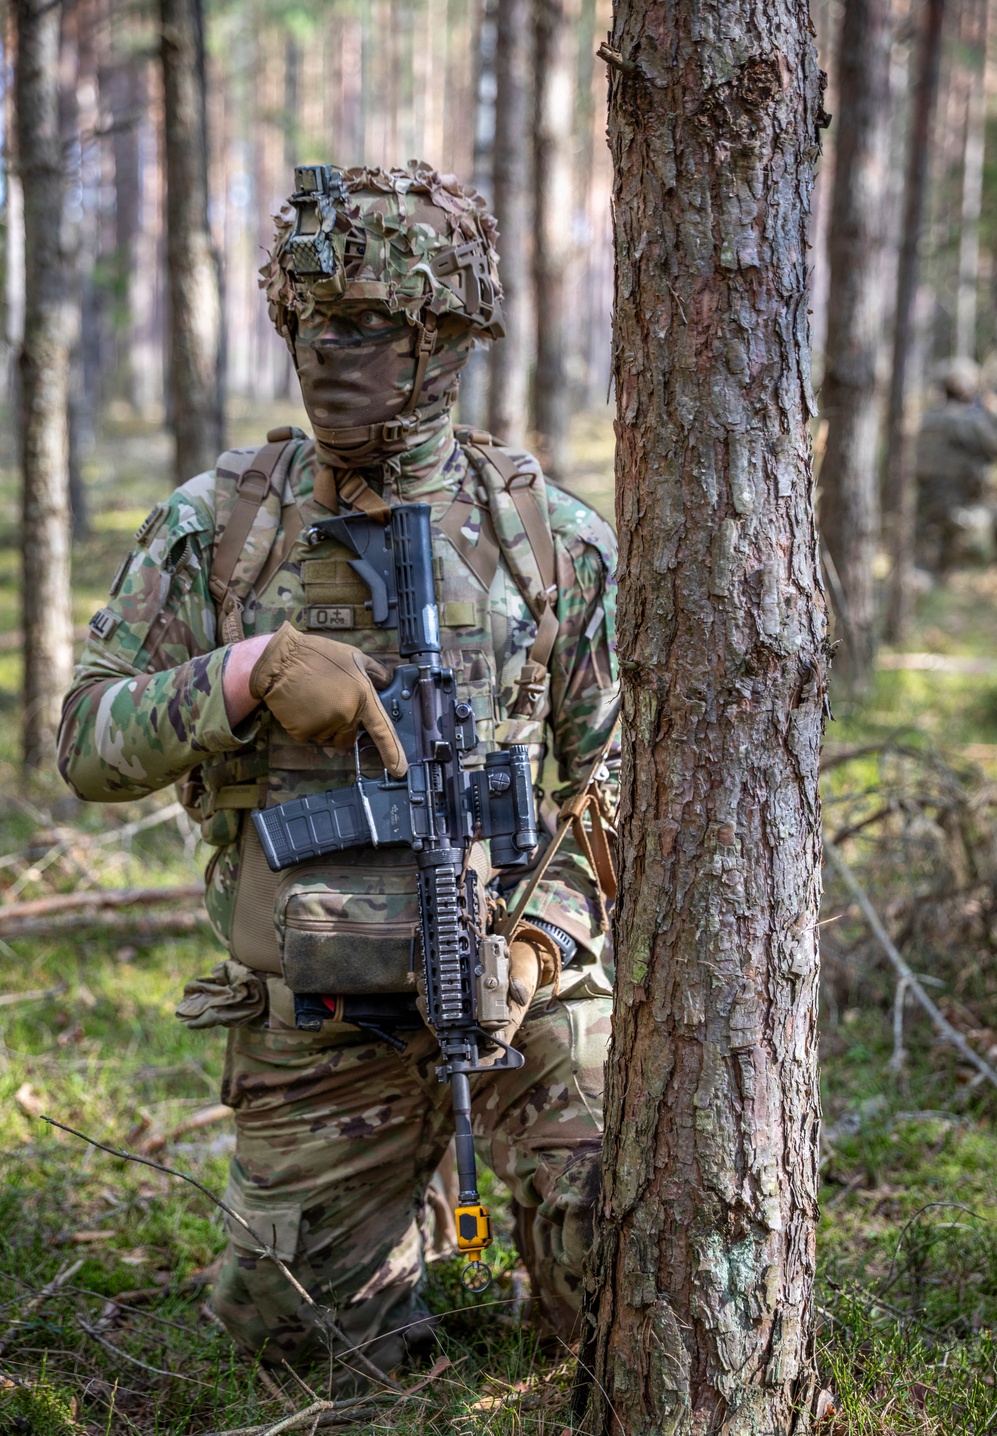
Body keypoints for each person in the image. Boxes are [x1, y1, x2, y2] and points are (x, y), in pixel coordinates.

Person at [57, 163, 619, 1371]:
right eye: (307, 323)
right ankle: (380, 1217)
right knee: (300, 1351)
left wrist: (541, 945)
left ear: (447, 334)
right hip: (315, 1014)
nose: (327, 355)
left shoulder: (548, 542)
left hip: (513, 994)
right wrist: (245, 673)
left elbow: (616, 784)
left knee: (616, 1234)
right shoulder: (220, 525)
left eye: (365, 326)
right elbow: (85, 743)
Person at [915, 358, 997, 574]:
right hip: (960, 509)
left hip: (927, 505)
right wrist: (993, 411)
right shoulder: (968, 422)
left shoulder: (928, 417)